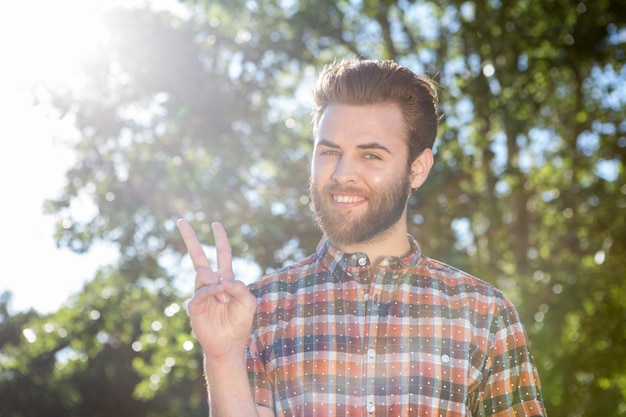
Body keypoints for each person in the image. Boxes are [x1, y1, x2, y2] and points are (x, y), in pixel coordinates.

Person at [177, 59, 547, 417]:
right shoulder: (257, 310)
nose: (342, 173)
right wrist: (223, 355)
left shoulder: (485, 314)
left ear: (417, 169)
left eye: (370, 155)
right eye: (330, 152)